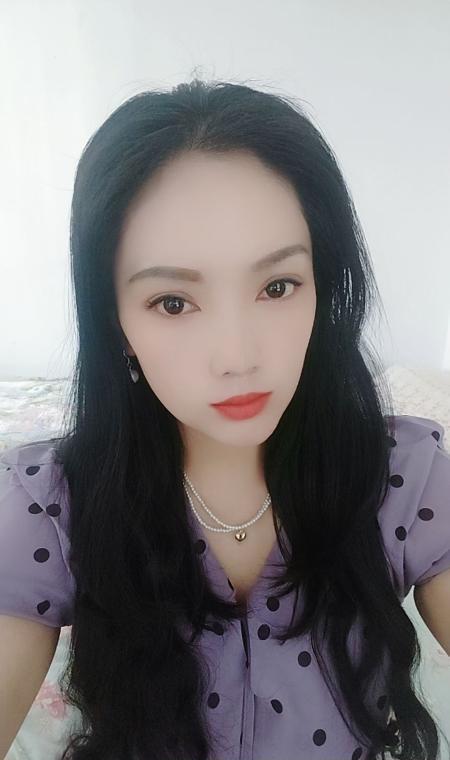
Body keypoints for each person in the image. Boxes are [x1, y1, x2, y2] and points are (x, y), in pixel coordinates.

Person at [1, 78, 450, 760]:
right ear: (114, 320)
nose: (238, 357)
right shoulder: (49, 504)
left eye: (277, 286)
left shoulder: (405, 478)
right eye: (173, 303)